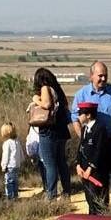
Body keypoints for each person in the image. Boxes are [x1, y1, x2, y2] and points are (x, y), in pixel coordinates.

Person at [71, 61, 111, 209]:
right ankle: (100, 215)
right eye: (100, 76)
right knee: (98, 182)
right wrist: (84, 139)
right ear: (91, 76)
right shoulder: (81, 94)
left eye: (105, 76)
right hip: (94, 148)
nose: (103, 79)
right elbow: (74, 118)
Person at [32, 68, 73, 200]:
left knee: (49, 164)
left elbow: (47, 104)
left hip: (49, 131)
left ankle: (51, 194)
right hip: (61, 130)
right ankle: (67, 192)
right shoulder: (58, 90)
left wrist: (36, 100)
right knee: (61, 162)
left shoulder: (45, 88)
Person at [75, 101, 111, 214]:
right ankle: (91, 218)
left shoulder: (99, 128)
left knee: (98, 198)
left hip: (96, 171)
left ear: (88, 115)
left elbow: (99, 150)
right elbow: (81, 147)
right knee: (89, 198)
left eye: (81, 114)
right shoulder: (84, 129)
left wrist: (90, 168)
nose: (78, 117)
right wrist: (78, 164)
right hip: (84, 170)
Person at [1, 122, 21, 201]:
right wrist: (20, 161)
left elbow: (5, 156)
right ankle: (15, 196)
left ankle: (10, 198)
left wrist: (3, 166)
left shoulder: (7, 143)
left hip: (9, 166)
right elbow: (20, 153)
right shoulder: (17, 141)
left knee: (8, 182)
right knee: (15, 181)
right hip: (16, 165)